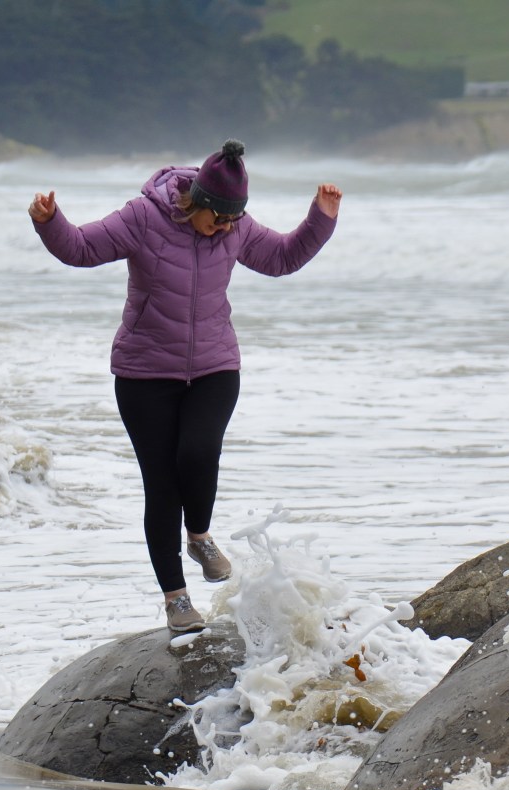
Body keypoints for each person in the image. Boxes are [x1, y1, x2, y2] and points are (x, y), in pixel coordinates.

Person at [29, 139, 342, 633]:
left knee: (198, 453)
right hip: (144, 372)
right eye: (216, 219)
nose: (223, 229)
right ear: (194, 201)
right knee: (162, 487)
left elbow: (283, 257)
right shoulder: (142, 218)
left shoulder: (234, 228)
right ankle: (176, 598)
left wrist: (320, 218)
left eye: (231, 222)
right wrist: (50, 221)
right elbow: (83, 247)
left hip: (215, 366)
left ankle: (199, 537)